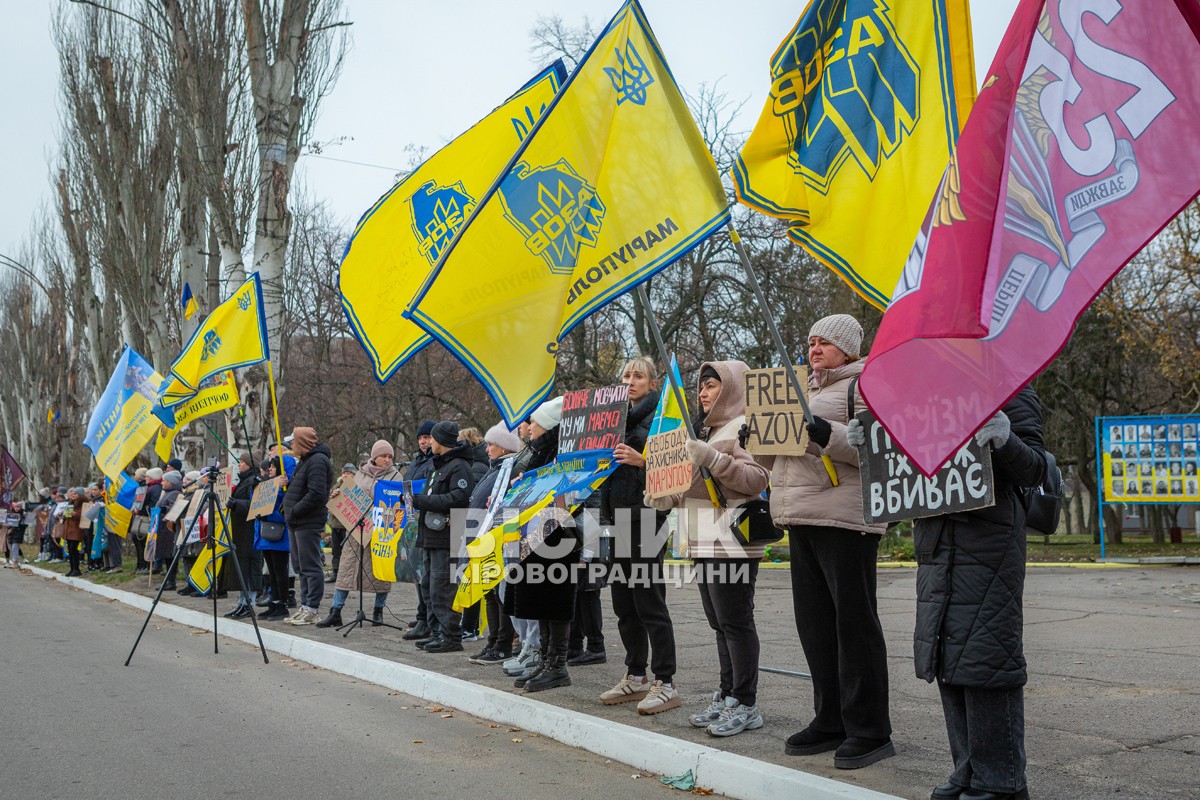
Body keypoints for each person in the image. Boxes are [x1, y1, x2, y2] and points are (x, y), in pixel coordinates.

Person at [903, 390, 1047, 800]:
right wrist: (873, 448)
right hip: (936, 540)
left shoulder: (1012, 389)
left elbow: (1034, 469)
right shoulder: (924, 397)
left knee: (987, 658)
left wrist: (1005, 437)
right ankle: (967, 769)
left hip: (987, 545)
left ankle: (1001, 781)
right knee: (947, 656)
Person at [770, 314, 893, 768]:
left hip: (846, 520)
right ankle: (830, 717)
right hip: (801, 517)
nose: (814, 349)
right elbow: (780, 459)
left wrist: (827, 434)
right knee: (816, 627)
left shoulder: (863, 386)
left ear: (849, 349)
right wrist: (758, 438)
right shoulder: (804, 390)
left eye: (825, 343)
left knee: (854, 627)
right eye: (810, 342)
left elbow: (881, 450)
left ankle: (870, 729)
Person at [645, 361, 771, 736]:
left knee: (735, 621)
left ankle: (746, 702)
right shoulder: (703, 431)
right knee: (720, 623)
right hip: (701, 539)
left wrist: (712, 458)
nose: (702, 393)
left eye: (712, 385)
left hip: (732, 540)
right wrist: (665, 496)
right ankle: (728, 694)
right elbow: (694, 488)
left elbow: (756, 479)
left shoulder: (744, 426)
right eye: (701, 386)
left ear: (731, 389)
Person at [598, 356, 679, 714]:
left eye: (638, 376)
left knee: (649, 602)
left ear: (652, 383)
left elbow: (677, 469)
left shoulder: (661, 417)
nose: (631, 380)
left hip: (647, 517)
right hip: (616, 517)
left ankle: (666, 681)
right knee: (623, 603)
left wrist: (642, 460)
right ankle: (635, 674)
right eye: (626, 375)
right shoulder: (611, 420)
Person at [502, 396, 581, 693]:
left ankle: (557, 665)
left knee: (554, 600)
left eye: (534, 422)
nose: (529, 427)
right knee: (540, 599)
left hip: (558, 534)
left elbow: (570, 493)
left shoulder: (562, 454)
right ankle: (546, 660)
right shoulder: (540, 452)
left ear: (548, 426)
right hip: (537, 534)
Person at [316, 441, 402, 629]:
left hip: (380, 533)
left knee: (381, 573)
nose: (387, 460)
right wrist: (338, 494)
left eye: (390, 457)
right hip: (356, 532)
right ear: (374, 456)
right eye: (383, 456)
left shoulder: (396, 477)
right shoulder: (360, 475)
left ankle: (378, 611)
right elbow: (350, 496)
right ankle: (336, 611)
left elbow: (398, 504)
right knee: (346, 571)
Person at [411, 421, 476, 653]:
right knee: (429, 586)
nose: (429, 443)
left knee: (443, 588)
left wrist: (420, 501)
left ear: (443, 442)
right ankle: (437, 632)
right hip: (431, 535)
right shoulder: (438, 465)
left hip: (447, 536)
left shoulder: (459, 467)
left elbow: (459, 497)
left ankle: (450, 637)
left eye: (433, 438)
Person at [465, 422, 523, 665]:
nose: (486, 449)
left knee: (500, 595)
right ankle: (493, 641)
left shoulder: (509, 468)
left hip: (499, 537)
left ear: (504, 447)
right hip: (483, 536)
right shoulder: (495, 467)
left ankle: (503, 644)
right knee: (489, 593)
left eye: (491, 444)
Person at [282, 426, 334, 625]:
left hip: (307, 522)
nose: (291, 445)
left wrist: (294, 510)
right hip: (297, 522)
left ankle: (312, 608)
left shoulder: (317, 461)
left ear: (302, 443)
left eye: (294, 442)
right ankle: (304, 606)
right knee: (300, 566)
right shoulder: (306, 460)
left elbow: (316, 494)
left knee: (310, 566)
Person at [402, 419, 438, 640]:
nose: (424, 442)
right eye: (421, 438)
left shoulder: (433, 462)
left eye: (427, 438)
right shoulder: (416, 462)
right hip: (412, 522)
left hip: (427, 519)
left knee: (425, 574)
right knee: (418, 572)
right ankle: (422, 612)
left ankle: (425, 618)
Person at [256, 456, 297, 621]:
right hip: (266, 533)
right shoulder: (268, 485)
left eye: (274, 467)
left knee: (280, 572)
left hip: (279, 533)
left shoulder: (287, 487)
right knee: (272, 572)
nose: (270, 469)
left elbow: (284, 511)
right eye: (270, 467)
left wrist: (269, 515)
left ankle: (282, 605)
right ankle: (273, 603)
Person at [223, 453, 262, 619]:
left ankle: (249, 603)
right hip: (241, 531)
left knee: (249, 568)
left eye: (242, 462)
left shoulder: (254, 481)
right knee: (241, 568)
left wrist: (235, 503)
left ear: (249, 464)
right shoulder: (244, 480)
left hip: (249, 531)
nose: (239, 465)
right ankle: (242, 602)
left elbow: (256, 504)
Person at [326, 463, 356, 583]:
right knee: (336, 551)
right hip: (335, 524)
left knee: (348, 552)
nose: (345, 475)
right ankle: (336, 573)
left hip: (347, 526)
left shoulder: (355, 488)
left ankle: (347, 575)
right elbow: (329, 502)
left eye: (349, 473)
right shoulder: (336, 487)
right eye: (344, 473)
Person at [154, 471, 183, 590]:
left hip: (169, 530)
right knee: (166, 556)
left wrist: (164, 509)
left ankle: (171, 581)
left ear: (171, 482)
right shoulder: (167, 493)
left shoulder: (175, 493)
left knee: (170, 556)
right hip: (163, 529)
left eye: (164, 480)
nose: (162, 482)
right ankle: (168, 580)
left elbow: (175, 509)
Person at [59, 487, 87, 577]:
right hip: (69, 529)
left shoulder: (83, 503)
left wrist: (76, 514)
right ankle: (72, 569)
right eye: (73, 493)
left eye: (76, 494)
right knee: (70, 550)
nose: (73, 495)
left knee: (73, 549)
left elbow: (85, 515)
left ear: (80, 495)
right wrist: (63, 514)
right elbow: (68, 514)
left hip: (76, 529)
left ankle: (76, 569)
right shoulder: (71, 503)